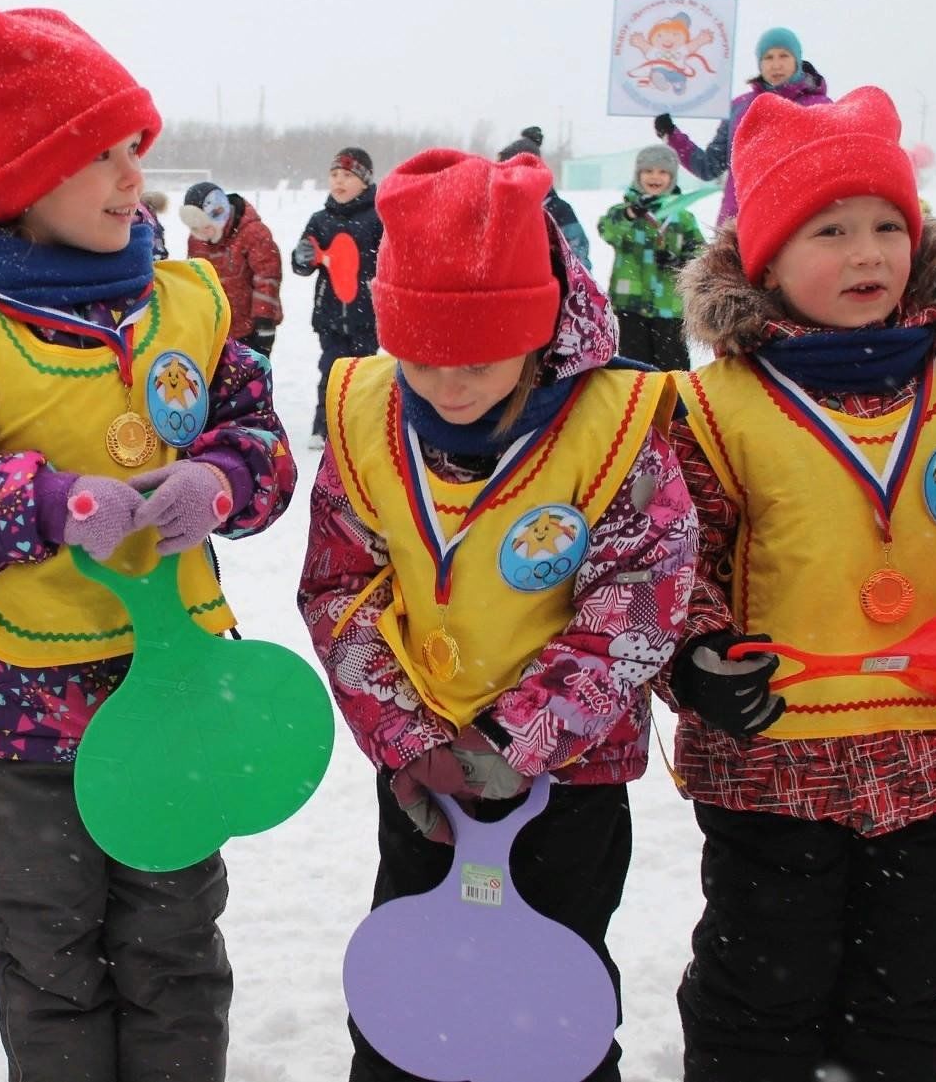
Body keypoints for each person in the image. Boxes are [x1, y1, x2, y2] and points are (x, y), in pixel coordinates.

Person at [0, 9, 295, 1080]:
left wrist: (220, 476)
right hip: (22, 703)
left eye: (130, 148)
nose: (128, 177)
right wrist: (45, 503)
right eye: (94, 156)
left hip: (178, 684)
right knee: (46, 942)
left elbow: (264, 442)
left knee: (175, 941)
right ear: (20, 180)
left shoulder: (188, 301)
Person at [298, 148, 697, 1082]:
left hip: (569, 779)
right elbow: (338, 587)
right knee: (416, 976)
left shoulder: (616, 425)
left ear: (539, 323)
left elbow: (639, 599)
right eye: (423, 356)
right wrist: (407, 736)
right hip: (422, 774)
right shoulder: (365, 415)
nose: (448, 384)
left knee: (549, 991)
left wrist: (514, 737)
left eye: (478, 356)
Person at [662, 86, 936, 1082]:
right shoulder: (711, 409)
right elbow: (672, 562)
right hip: (775, 765)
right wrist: (693, 656)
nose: (865, 254)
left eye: (887, 225)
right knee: (761, 991)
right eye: (829, 229)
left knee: (905, 988)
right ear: (760, 257)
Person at [654, 26, 830, 226]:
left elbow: (828, 169)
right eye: (768, 57)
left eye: (784, 56)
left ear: (797, 59)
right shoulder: (739, 108)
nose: (776, 65)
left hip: (795, 221)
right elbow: (709, 166)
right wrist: (671, 134)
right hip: (737, 224)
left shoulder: (819, 107)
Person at [294, 146, 382, 447]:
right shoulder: (321, 220)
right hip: (329, 314)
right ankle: (324, 426)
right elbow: (301, 264)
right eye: (334, 174)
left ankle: (359, 430)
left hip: (366, 315)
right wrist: (303, 257)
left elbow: (391, 260)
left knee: (362, 375)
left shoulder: (377, 219)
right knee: (330, 370)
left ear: (365, 181)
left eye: (347, 175)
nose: (339, 181)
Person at [596, 143, 704, 371]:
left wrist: (679, 261)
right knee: (635, 368)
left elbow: (700, 254)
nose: (655, 177)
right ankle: (637, 405)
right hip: (631, 302)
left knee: (673, 367)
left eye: (663, 172)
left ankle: (676, 404)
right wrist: (631, 213)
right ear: (638, 175)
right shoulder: (623, 212)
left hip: (670, 304)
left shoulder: (682, 216)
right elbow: (607, 231)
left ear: (672, 177)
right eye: (648, 171)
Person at [181, 180, 283, 354]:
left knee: (249, 379)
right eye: (197, 229)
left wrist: (264, 321)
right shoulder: (197, 241)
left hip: (249, 330)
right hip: (214, 331)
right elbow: (195, 279)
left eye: (207, 227)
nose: (203, 234)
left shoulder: (253, 233)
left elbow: (267, 277)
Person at [499, 127, 592, 269]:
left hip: (551, 287)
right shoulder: (502, 208)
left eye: (510, 170)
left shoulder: (557, 210)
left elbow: (578, 260)